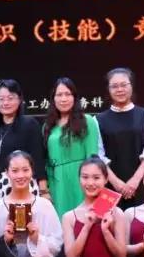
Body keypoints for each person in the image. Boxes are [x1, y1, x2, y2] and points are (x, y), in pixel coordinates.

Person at [96, 68, 144, 208]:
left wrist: (135, 181)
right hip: (109, 186)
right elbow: (98, 155)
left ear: (131, 86)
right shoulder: (98, 119)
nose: (120, 89)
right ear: (108, 89)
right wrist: (116, 183)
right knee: (107, 220)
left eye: (124, 85)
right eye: (114, 86)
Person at [44, 78, 102, 216]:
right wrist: (46, 189)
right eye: (59, 95)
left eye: (68, 94)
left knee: (84, 219)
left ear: (74, 97)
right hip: (57, 182)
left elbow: (92, 157)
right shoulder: (48, 126)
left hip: (81, 179)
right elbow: (46, 160)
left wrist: (90, 181)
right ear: (53, 99)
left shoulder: (87, 121)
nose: (63, 99)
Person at [0, 79, 46, 203]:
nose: (5, 102)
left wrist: (43, 190)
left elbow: (38, 158)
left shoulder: (29, 124)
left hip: (24, 185)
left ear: (19, 100)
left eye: (10, 98)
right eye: (1, 99)